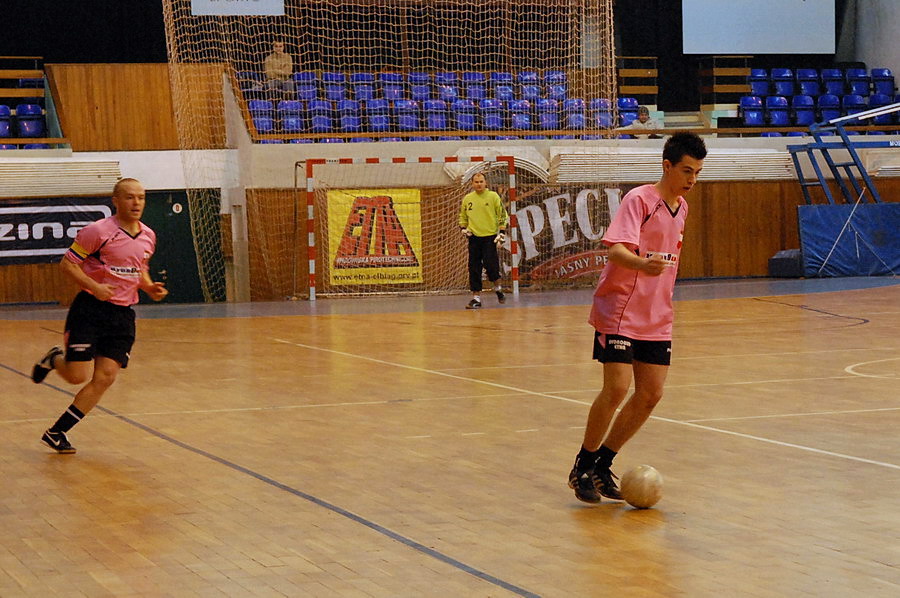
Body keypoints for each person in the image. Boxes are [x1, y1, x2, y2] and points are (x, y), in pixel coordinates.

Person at [568, 132, 707, 503]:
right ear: (668, 166)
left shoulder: (683, 208)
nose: (692, 180)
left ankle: (602, 464)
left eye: (697, 173)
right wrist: (642, 264)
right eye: (686, 171)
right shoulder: (640, 199)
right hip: (620, 308)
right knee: (616, 388)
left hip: (657, 314)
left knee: (650, 394)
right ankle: (582, 464)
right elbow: (615, 250)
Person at [31, 178, 168, 454]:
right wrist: (95, 287)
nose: (136, 203)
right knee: (76, 376)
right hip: (91, 310)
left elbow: (138, 267)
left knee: (105, 377)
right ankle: (55, 359)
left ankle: (57, 432)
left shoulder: (148, 236)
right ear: (116, 201)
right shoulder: (97, 232)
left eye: (141, 197)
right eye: (130, 197)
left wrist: (149, 285)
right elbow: (68, 263)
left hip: (122, 316)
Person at [458, 172, 509, 309]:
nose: (479, 184)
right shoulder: (467, 199)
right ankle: (476, 298)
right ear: (472, 184)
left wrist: (502, 233)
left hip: (490, 238)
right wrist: (463, 228)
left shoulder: (493, 197)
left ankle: (498, 289)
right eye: (476, 182)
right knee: (474, 267)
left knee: (491, 266)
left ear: (486, 183)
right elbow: (463, 217)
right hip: (474, 238)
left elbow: (502, 215)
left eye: (481, 181)